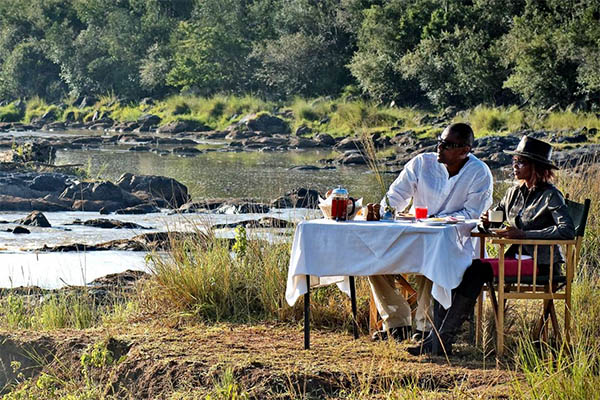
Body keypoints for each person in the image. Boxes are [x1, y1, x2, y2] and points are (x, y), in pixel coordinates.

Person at [407, 135, 575, 356]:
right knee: (457, 269)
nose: (514, 166)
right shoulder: (514, 193)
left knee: (477, 270)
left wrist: (524, 234)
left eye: (521, 162)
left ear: (536, 167)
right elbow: (494, 217)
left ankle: (441, 341)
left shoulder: (551, 196)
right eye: (514, 161)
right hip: (516, 259)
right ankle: (437, 339)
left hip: (541, 265)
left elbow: (567, 230)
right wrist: (487, 222)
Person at [369, 123, 494, 342]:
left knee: (434, 256)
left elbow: (473, 214)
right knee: (372, 257)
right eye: (440, 141)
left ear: (465, 150)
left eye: (447, 145)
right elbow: (395, 197)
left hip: (455, 241)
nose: (440, 147)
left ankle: (425, 328)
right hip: (413, 235)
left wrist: (439, 222)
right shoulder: (421, 163)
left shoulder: (479, 173)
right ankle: (397, 323)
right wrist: (382, 212)